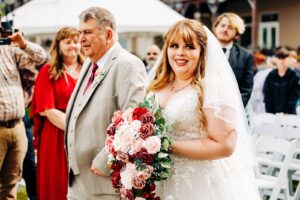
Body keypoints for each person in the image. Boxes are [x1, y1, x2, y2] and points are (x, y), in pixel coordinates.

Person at [148, 19, 260, 200]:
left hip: (198, 182)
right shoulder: (158, 84)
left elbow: (225, 145)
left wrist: (164, 145)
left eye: (189, 47)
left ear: (202, 52)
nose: (180, 53)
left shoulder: (213, 87)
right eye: (174, 46)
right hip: (159, 179)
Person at [65, 7, 147, 200]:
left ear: (108, 34)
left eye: (87, 32)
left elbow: (134, 120)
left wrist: (105, 162)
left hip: (105, 181)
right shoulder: (88, 63)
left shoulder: (128, 64)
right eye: (80, 33)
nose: (81, 38)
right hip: (77, 180)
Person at [30, 27, 84, 200]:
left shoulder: (89, 70)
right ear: (58, 45)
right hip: (56, 135)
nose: (72, 46)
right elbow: (47, 109)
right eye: (67, 42)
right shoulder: (48, 71)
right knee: (57, 184)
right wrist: (76, 128)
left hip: (85, 136)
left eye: (76, 42)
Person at [0, 26, 47, 199]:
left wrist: (23, 44)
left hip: (17, 126)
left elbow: (41, 56)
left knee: (11, 185)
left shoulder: (8, 49)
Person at [213, 12, 254, 107]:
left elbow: (246, 89)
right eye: (222, 25)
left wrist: (234, 110)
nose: (225, 29)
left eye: (230, 27)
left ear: (237, 34)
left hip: (233, 108)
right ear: (216, 28)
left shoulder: (246, 56)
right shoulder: (202, 51)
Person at [263, 47, 300, 114]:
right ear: (276, 59)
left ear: (288, 58)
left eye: (284, 58)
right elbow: (267, 95)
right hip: (273, 114)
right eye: (280, 58)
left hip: (289, 114)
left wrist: (288, 111)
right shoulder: (271, 75)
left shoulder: (293, 76)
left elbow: (295, 96)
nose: (282, 60)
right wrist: (269, 111)